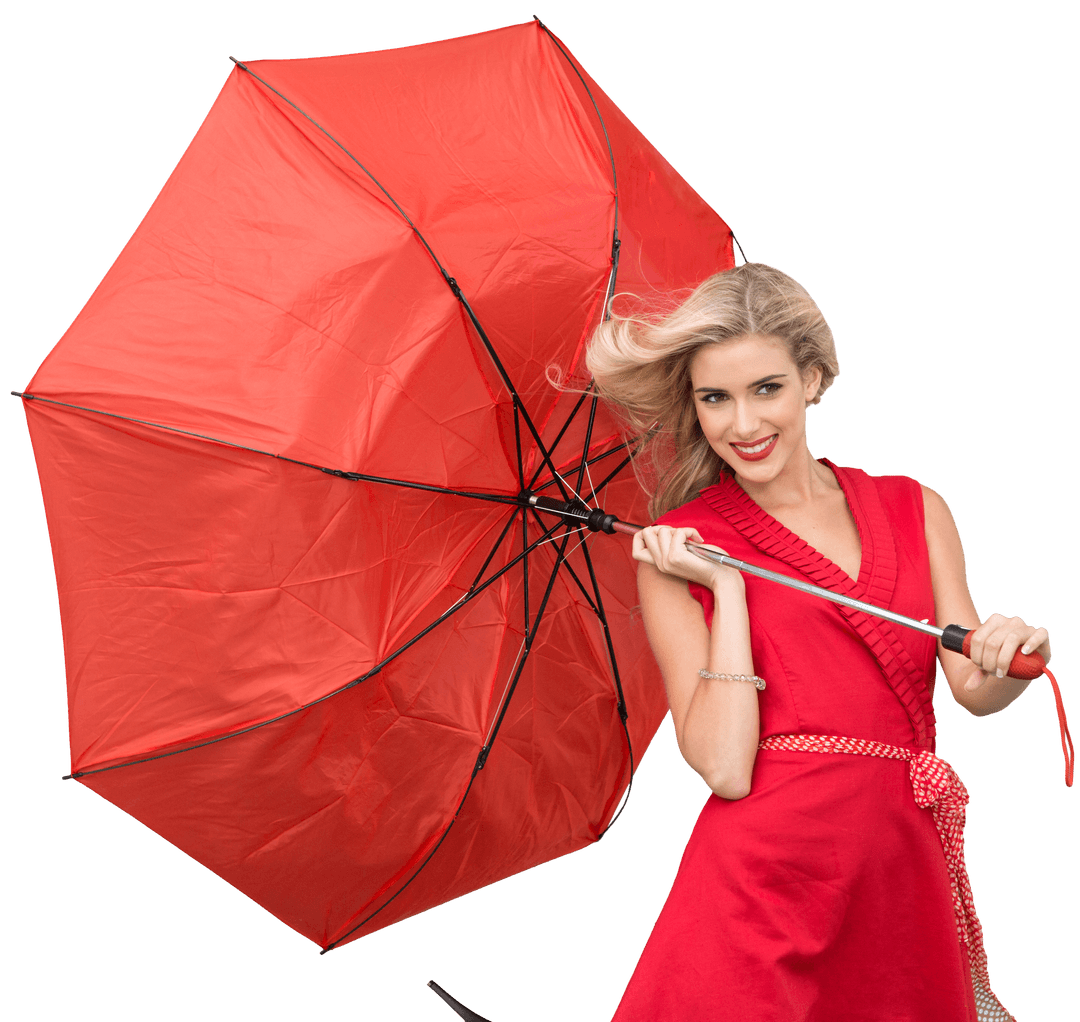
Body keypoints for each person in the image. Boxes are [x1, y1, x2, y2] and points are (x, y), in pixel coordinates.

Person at [584, 262, 1051, 1021]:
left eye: (766, 388)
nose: (742, 424)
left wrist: (1005, 657)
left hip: (898, 872)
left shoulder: (915, 507)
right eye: (715, 398)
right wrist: (729, 589)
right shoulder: (679, 549)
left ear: (815, 379)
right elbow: (725, 767)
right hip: (762, 884)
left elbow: (973, 692)